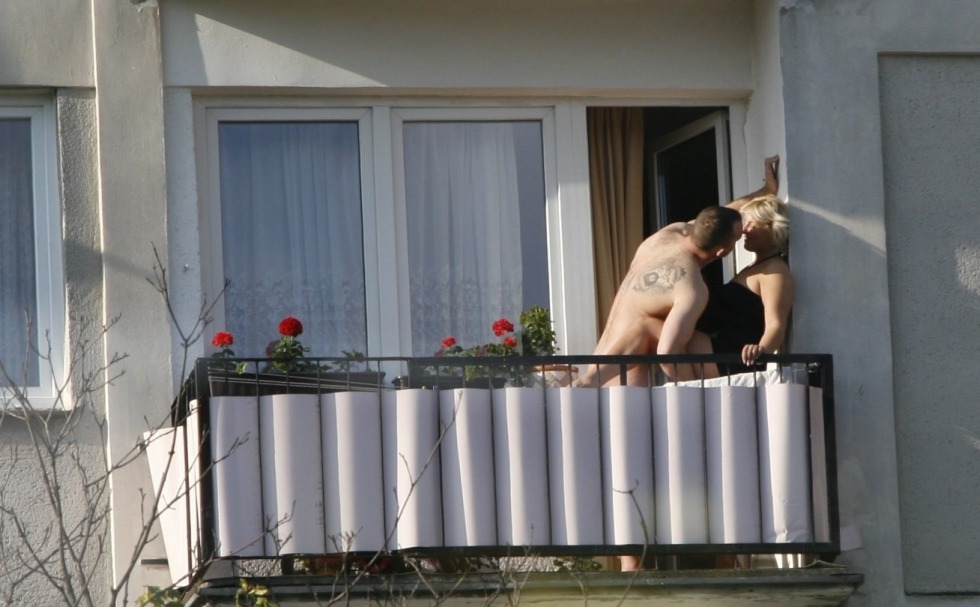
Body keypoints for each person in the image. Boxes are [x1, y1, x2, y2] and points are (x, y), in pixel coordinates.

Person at [574, 156, 780, 388]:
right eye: (738, 236)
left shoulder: (668, 235)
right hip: (627, 382)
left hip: (601, 364)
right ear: (722, 251)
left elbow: (715, 218)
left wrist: (765, 191)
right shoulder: (690, 288)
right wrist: (694, 394)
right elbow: (669, 353)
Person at [689, 190, 793, 377]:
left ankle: (685, 394)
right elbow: (704, 224)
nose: (745, 229)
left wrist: (760, 350)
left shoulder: (775, 271)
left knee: (653, 329)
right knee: (653, 328)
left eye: (753, 224)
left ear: (772, 227)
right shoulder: (757, 267)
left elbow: (776, 323)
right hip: (723, 351)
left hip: (737, 359)